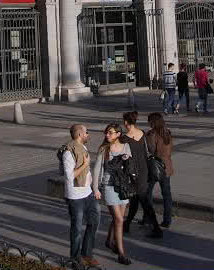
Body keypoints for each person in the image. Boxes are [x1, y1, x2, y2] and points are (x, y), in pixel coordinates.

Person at [94, 123, 133, 265]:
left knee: (118, 218)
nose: (107, 135)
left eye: (110, 133)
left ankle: (109, 240)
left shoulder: (126, 146)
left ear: (118, 134)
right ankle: (121, 253)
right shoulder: (104, 149)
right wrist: (95, 188)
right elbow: (97, 168)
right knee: (119, 220)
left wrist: (126, 159)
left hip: (123, 186)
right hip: (109, 186)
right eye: (106, 132)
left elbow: (129, 166)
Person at [61, 124, 99, 266]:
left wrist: (94, 187)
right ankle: (75, 259)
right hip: (75, 196)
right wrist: (85, 165)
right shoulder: (68, 152)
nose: (88, 134)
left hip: (88, 192)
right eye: (86, 132)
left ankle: (87, 254)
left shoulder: (82, 147)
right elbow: (69, 176)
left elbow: (87, 172)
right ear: (79, 134)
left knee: (94, 222)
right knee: (77, 229)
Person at [121, 110, 160, 238]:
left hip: (133, 172)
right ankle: (127, 224)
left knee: (143, 200)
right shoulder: (142, 133)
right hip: (144, 170)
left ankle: (156, 228)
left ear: (126, 122)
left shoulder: (124, 138)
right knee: (135, 199)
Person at [144, 112, 173, 230]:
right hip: (167, 166)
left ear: (153, 122)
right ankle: (167, 220)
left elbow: (150, 150)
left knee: (147, 193)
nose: (148, 123)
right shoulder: (167, 133)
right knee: (166, 194)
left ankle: (149, 217)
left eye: (149, 121)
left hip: (155, 167)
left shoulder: (151, 134)